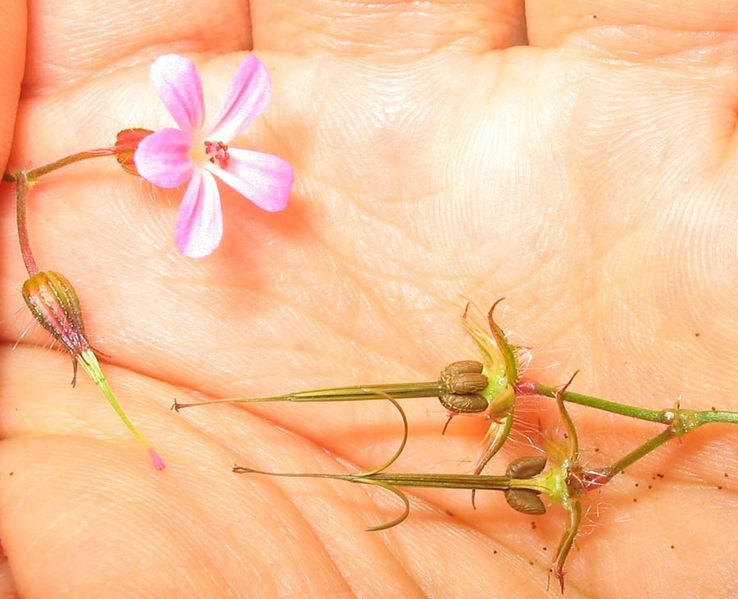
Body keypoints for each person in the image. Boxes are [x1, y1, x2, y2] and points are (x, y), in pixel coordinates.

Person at [1, 1, 736, 596]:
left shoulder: (199, 155)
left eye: (214, 144)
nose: (211, 148)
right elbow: (161, 152)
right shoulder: (165, 156)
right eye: (200, 149)